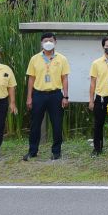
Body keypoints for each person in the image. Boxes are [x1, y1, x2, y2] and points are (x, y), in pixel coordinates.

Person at [24, 32, 70, 161]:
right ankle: (32, 151)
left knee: (57, 124)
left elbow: (65, 78)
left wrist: (65, 96)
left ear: (55, 42)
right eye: (45, 41)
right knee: (35, 124)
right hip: (38, 95)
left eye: (50, 40)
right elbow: (31, 79)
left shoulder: (62, 59)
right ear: (41, 43)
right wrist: (29, 97)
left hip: (55, 95)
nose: (48, 43)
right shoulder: (35, 58)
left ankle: (56, 152)